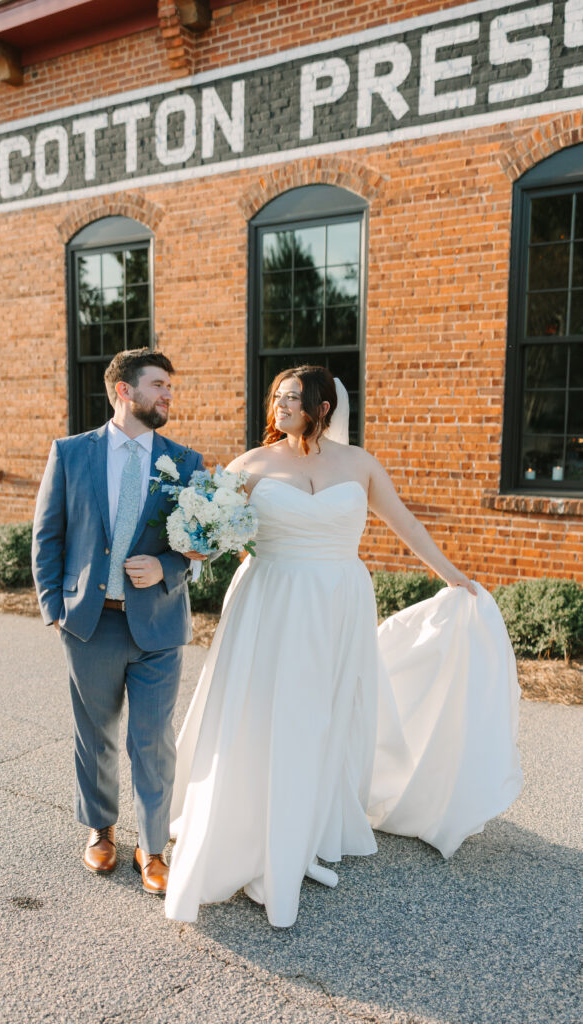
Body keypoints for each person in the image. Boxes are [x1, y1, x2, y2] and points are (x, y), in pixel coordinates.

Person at [164, 365, 522, 927]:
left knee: (323, 714)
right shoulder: (250, 465)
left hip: (340, 603)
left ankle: (308, 823)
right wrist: (197, 542)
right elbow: (210, 536)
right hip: (272, 601)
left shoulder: (360, 465)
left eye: (292, 397)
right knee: (267, 712)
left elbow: (406, 525)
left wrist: (454, 577)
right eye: (277, 397)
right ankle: (253, 825)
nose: (280, 405)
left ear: (323, 407)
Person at [32, 349, 205, 895]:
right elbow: (47, 535)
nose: (167, 395)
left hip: (159, 625)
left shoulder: (186, 462)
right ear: (124, 391)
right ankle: (100, 829)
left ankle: (151, 847)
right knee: (96, 736)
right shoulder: (70, 453)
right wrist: (55, 608)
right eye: (158, 385)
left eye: (169, 386)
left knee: (153, 742)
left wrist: (167, 566)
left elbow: (201, 542)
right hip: (90, 623)